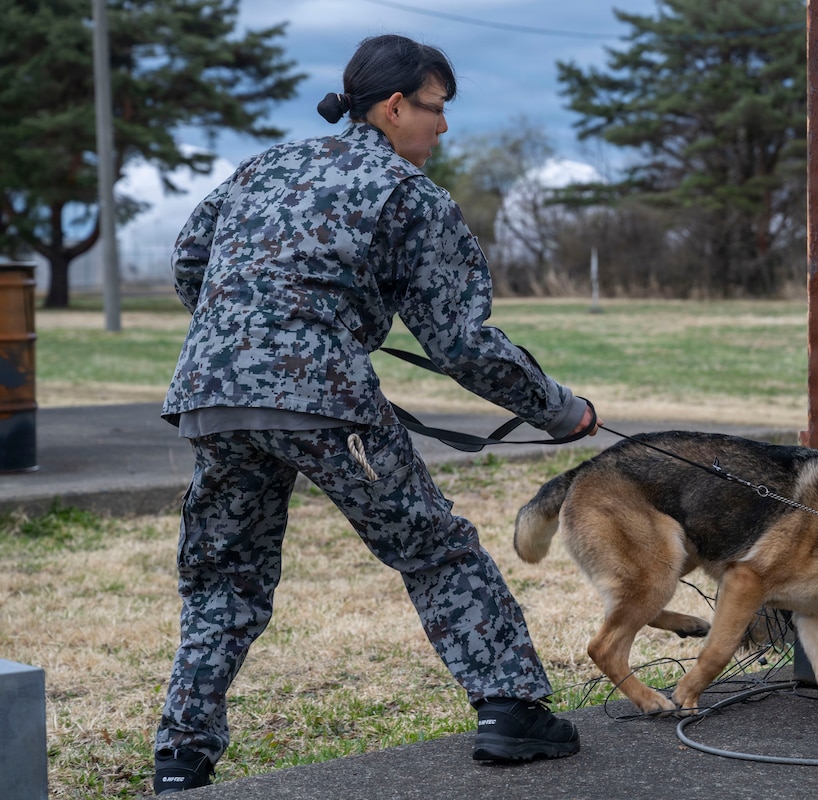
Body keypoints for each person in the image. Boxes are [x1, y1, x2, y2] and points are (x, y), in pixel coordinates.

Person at [151, 34, 601, 795]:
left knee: (223, 578)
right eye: (437, 109)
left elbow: (191, 262)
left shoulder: (267, 165)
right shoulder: (409, 195)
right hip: (325, 403)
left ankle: (181, 758)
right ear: (395, 107)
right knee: (435, 548)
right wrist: (562, 413)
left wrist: (255, 331)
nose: (443, 128)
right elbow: (463, 344)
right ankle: (512, 711)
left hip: (211, 397)